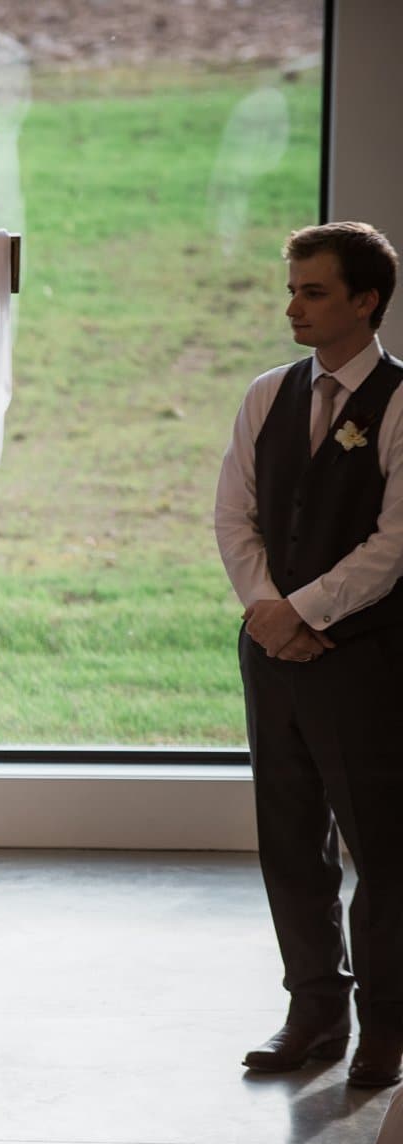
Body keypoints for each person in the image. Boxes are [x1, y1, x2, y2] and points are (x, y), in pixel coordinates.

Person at [214, 221, 403, 1087]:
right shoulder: (267, 394)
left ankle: (387, 1024)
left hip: (365, 659)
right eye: (292, 289)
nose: (294, 304)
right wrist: (266, 611)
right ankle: (314, 1009)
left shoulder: (401, 401)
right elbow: (235, 515)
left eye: (314, 291)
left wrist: (304, 609)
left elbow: (393, 545)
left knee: (382, 844)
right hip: (274, 656)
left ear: (366, 301)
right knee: (288, 837)